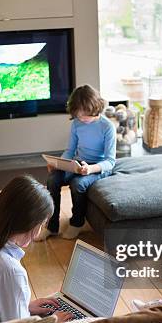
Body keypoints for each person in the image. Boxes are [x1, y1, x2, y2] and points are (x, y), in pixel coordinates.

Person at [0, 175, 74, 323]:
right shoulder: (10, 270)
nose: (40, 231)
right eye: (42, 224)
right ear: (31, 223)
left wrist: (24, 307)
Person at [36, 84, 116, 241]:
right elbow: (70, 150)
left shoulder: (107, 127)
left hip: (99, 167)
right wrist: (58, 164)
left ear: (95, 107)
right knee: (53, 179)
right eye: (78, 116)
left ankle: (77, 223)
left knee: (78, 184)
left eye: (85, 115)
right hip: (80, 163)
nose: (82, 119)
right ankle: (52, 226)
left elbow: (110, 161)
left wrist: (91, 169)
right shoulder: (76, 124)